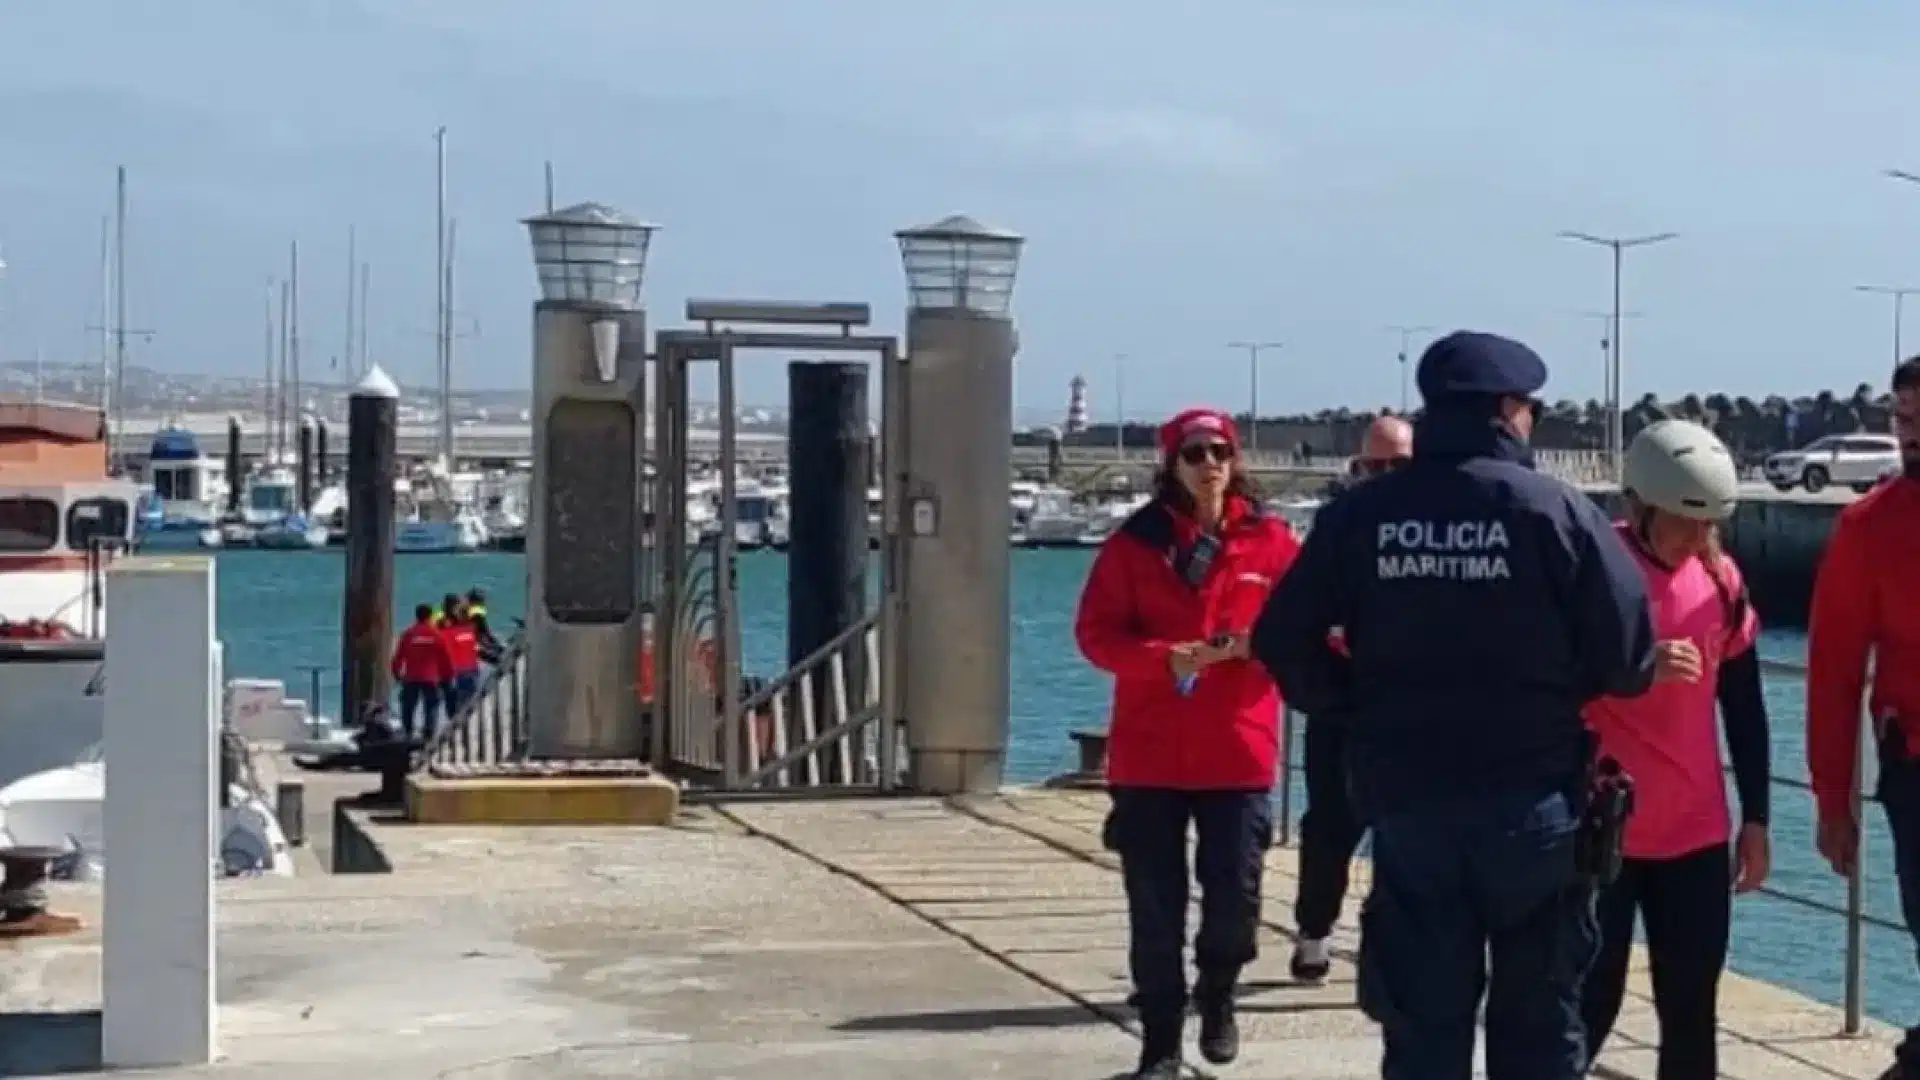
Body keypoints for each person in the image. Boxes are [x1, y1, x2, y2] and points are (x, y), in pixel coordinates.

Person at [1251, 330, 1666, 1080]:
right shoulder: (1557, 512)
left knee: (1422, 1028)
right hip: (1535, 802)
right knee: (1540, 1028)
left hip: (1411, 803)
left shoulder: (1364, 515)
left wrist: (1350, 704)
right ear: (1510, 412)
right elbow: (1632, 657)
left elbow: (1282, 638)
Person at [1075, 407, 1302, 1079]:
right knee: (1154, 907)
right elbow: (1095, 635)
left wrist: (1260, 645)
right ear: (1172, 465)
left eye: (1221, 451)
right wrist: (1160, 658)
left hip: (1238, 750)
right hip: (1151, 755)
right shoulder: (1134, 545)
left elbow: (1315, 622)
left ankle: (1221, 990)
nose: (1211, 465)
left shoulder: (1272, 541)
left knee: (1235, 898)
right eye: (1196, 453)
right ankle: (1161, 1045)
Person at [1580, 420, 1773, 1080]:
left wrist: (1757, 820)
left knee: (1690, 1012)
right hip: (1602, 830)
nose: (1699, 540)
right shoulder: (1595, 567)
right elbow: (1542, 675)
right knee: (1587, 1002)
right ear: (1642, 506)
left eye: (1711, 524)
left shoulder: (1721, 580)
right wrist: (1637, 665)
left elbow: (1744, 708)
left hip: (1695, 834)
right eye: (1685, 524)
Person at [1806, 356, 1920, 1080]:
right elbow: (1834, 672)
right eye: (1903, 420)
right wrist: (1830, 800)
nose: (1910, 436)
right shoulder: (1868, 527)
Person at [1290, 413, 1413, 983]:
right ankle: (1314, 930)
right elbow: (1290, 623)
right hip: (1340, 706)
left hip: (1409, 711)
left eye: (1399, 465)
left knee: (1406, 833)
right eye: (1374, 465)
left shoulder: (1436, 530)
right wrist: (1318, 689)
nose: (1384, 476)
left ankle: (1385, 944)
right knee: (1330, 826)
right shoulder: (1336, 528)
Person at [390, 603, 454, 742]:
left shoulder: (408, 634)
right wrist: (447, 677)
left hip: (411, 677)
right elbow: (445, 659)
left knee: (408, 706)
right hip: (431, 678)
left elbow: (398, 657)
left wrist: (397, 674)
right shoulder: (437, 635)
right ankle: (428, 736)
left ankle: (408, 732)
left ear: (416, 616)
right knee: (431, 706)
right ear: (430, 617)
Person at [440, 601, 483, 717]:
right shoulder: (471, 631)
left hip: (457, 673)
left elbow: (445, 654)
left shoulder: (447, 633)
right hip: (472, 671)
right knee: (470, 705)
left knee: (455, 708)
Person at [465, 587, 502, 664]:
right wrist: (497, 646)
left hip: (465, 641)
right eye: (482, 600)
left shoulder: (466, 611)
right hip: (469, 643)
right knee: (492, 657)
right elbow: (484, 633)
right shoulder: (476, 614)